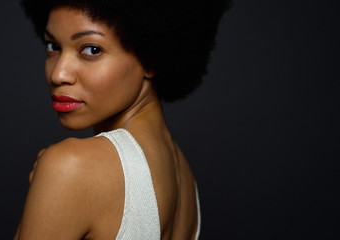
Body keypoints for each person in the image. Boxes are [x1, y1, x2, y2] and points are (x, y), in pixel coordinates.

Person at [14, 0, 231, 239]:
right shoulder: (182, 175)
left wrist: (51, 186)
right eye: (53, 46)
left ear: (151, 58)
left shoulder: (72, 166)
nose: (59, 74)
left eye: (92, 50)